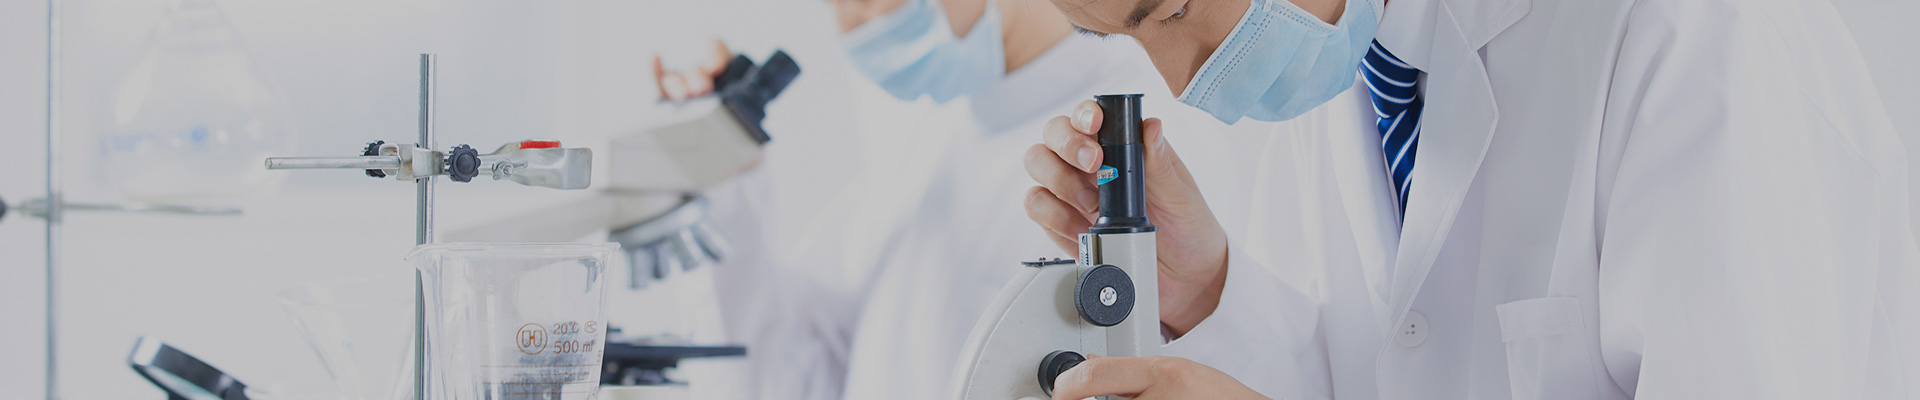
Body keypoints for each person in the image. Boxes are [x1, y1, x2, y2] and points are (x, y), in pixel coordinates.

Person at [1020, 0, 1920, 398]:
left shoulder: (1696, 38)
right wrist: (1211, 293)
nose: (1181, 84)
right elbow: (1394, 370)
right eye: (1115, 36)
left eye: (1172, 10)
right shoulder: (1332, 54)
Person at [650, 0, 1266, 398]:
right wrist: (721, 184)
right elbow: (792, 376)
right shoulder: (925, 145)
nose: (862, 25)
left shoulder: (1159, 135)